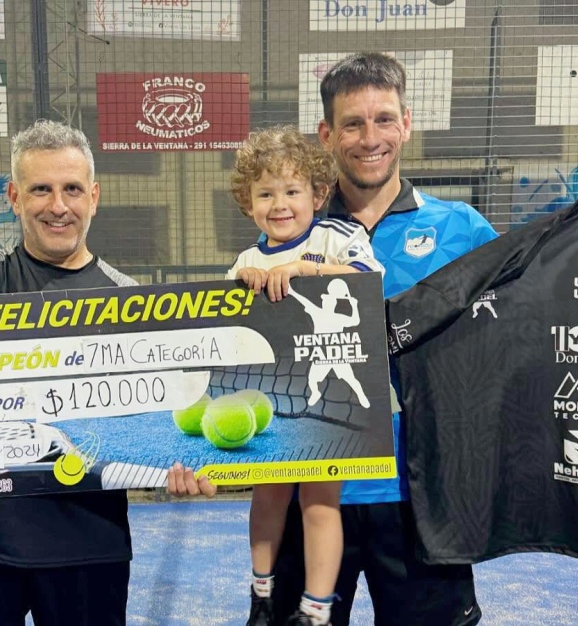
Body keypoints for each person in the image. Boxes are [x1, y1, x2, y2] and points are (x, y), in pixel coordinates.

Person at [170, 52, 578, 625]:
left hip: (424, 497)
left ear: (406, 123)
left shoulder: (462, 229)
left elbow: (538, 295)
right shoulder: (281, 238)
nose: (368, 137)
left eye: (383, 119)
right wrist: (200, 454)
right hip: (311, 489)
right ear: (327, 135)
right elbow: (233, 355)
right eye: (352, 123)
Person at [0, 119, 214, 625]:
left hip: (88, 548)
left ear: (94, 197)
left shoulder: (130, 302)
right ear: (14, 196)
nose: (58, 206)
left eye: (72, 189)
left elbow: (161, 426)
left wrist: (184, 465)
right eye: (41, 189)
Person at [225, 126, 385, 626]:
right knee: (268, 492)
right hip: (273, 394)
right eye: (265, 193)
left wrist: (303, 270)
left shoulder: (336, 236)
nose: (280, 204)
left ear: (316, 194)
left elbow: (369, 281)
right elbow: (232, 324)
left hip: (333, 390)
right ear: (247, 201)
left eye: (292, 191)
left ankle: (315, 610)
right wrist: (242, 284)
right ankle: (262, 593)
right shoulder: (247, 258)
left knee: (320, 499)